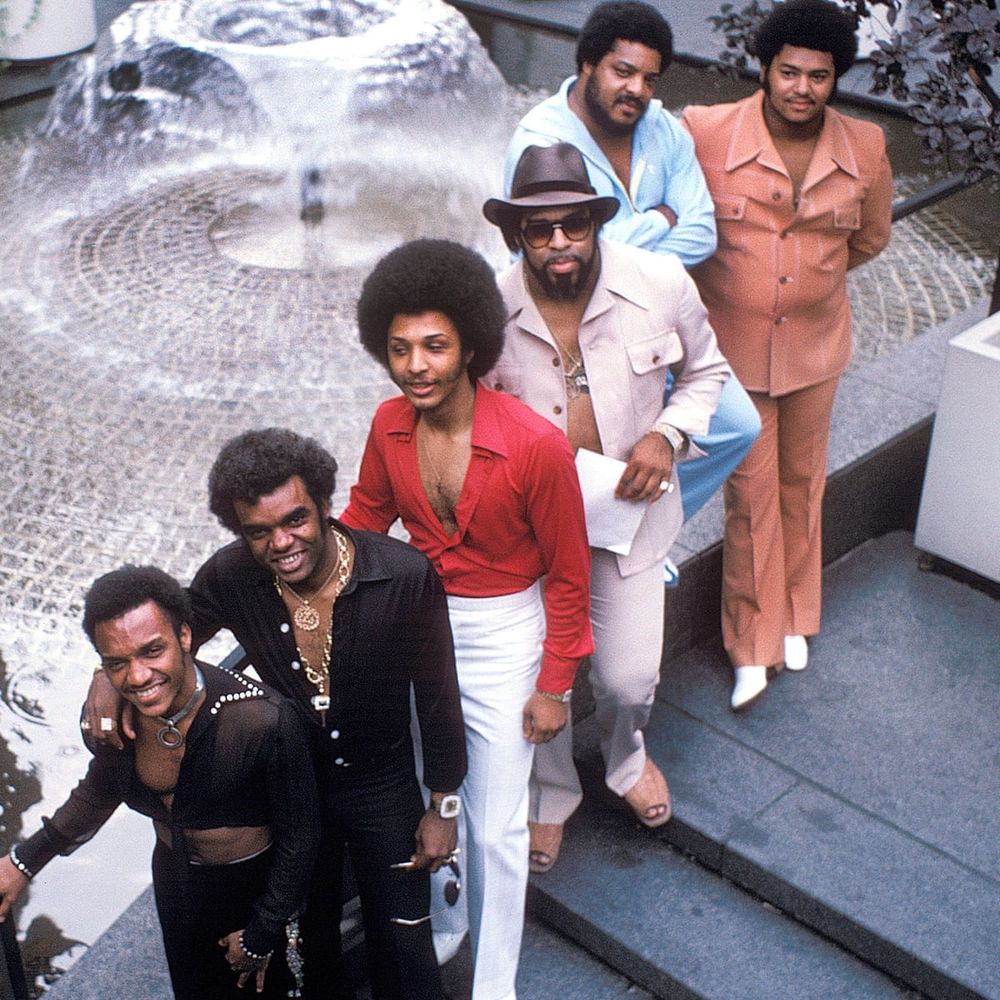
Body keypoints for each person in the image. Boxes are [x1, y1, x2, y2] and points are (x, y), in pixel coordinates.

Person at [85, 430, 468, 1000]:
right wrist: (103, 678)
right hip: (294, 794)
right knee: (311, 945)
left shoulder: (404, 577)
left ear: (323, 506)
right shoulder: (230, 575)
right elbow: (160, 636)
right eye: (258, 532)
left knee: (405, 942)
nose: (281, 543)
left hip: (380, 787)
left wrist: (443, 808)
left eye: (295, 520)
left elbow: (439, 701)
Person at [341, 238, 593, 1000]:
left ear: (470, 347)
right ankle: (448, 924)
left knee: (494, 826)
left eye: (433, 346)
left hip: (504, 637)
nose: (415, 365)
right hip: (417, 629)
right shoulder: (388, 425)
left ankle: (495, 984)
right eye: (399, 348)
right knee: (431, 793)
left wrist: (554, 686)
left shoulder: (535, 447)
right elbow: (361, 524)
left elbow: (572, 577)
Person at [480, 142, 729, 873]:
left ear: (594, 221)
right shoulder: (488, 308)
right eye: (539, 229)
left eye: (573, 225)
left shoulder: (660, 281)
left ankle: (625, 763)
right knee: (537, 679)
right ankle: (549, 796)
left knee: (627, 678)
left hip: (631, 525)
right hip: (529, 537)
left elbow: (707, 372)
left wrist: (667, 434)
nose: (559, 243)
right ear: (515, 235)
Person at [681, 0, 893, 710]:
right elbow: (675, 227)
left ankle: (799, 614)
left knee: (804, 484)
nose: (802, 89)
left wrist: (805, 285)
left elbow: (869, 239)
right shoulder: (704, 131)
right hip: (731, 355)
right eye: (790, 72)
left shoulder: (865, 146)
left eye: (820, 76)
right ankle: (752, 645)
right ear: (765, 69)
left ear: (838, 79)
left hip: (815, 349)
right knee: (750, 496)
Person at [0, 565, 319, 999]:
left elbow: (301, 836)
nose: (137, 677)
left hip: (251, 891)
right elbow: (101, 789)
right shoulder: (118, 720)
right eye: (117, 663)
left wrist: (264, 930)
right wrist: (24, 860)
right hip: (175, 882)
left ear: (185, 637)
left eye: (152, 651)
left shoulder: (260, 720)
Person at [504, 0, 760, 524]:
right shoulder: (540, 140)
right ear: (587, 66)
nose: (638, 90)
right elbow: (550, 253)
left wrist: (619, 236)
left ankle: (651, 522)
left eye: (649, 77)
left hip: (654, 315)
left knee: (738, 424)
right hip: (577, 322)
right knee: (597, 444)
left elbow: (703, 231)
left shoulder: (663, 128)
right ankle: (594, 535)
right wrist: (663, 217)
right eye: (623, 72)